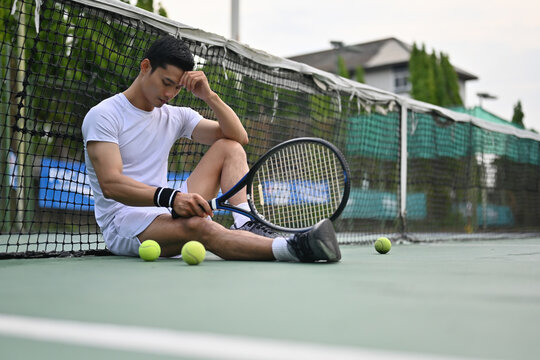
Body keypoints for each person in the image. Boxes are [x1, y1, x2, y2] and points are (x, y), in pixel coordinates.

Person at [82, 35, 341, 262]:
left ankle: (247, 223)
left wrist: (210, 96)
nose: (170, 93)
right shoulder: (104, 115)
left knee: (229, 147)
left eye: (177, 87)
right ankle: (296, 248)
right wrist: (173, 198)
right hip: (125, 223)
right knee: (201, 228)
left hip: (165, 206)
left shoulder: (175, 115)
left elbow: (238, 137)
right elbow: (112, 185)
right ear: (145, 67)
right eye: (166, 82)